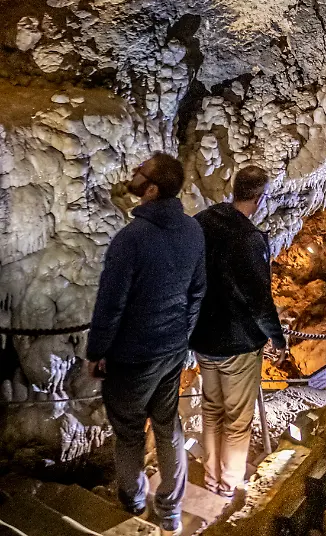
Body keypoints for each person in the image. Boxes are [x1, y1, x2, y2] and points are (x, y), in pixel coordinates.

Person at [86, 153, 206, 536]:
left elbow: (111, 305)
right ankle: (170, 511)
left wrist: (96, 352)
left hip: (132, 358)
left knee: (129, 431)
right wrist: (182, 337)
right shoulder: (192, 231)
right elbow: (197, 293)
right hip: (171, 352)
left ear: (151, 189)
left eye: (141, 172)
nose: (135, 173)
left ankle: (133, 501)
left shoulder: (130, 239)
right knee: (169, 426)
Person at [190, 165, 287, 499]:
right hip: (238, 342)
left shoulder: (202, 221)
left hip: (203, 338)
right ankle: (228, 485)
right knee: (236, 419)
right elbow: (259, 301)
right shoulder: (249, 239)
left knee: (211, 410)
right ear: (260, 198)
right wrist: (277, 337)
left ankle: (211, 478)